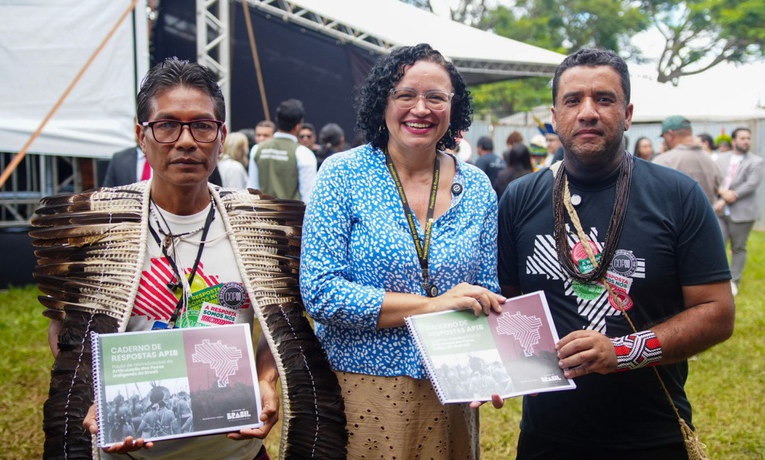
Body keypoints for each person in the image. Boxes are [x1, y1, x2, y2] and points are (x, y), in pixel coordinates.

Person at [33, 58, 346, 460]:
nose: (185, 141)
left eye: (201, 125)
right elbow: (65, 328)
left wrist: (267, 379)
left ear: (221, 136)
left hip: (235, 450)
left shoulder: (259, 229)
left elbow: (277, 329)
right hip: (130, 449)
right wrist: (99, 393)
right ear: (141, 136)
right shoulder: (100, 225)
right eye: (166, 125)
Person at [497, 48, 734, 459]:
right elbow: (505, 301)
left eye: (603, 99)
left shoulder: (677, 195)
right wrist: (493, 366)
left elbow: (717, 312)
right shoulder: (521, 197)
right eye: (573, 100)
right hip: (547, 437)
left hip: (651, 433)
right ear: (554, 117)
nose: (587, 112)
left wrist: (620, 352)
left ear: (627, 114)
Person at [300, 43, 505, 460]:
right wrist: (431, 307)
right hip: (359, 386)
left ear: (454, 108)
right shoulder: (342, 174)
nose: (421, 108)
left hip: (451, 386)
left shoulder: (478, 186)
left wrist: (490, 364)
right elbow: (320, 292)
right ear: (383, 102)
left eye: (436, 97)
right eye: (405, 95)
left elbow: (486, 288)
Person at [714, 127, 764, 296]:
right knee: (717, 245)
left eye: (748, 138)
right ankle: (716, 280)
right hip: (719, 212)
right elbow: (714, 178)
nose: (746, 141)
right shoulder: (721, 158)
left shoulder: (756, 161)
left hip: (742, 212)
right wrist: (721, 193)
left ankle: (734, 282)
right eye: (742, 138)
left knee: (738, 247)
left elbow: (751, 185)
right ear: (733, 141)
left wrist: (727, 197)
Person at [246, 99, 318, 203]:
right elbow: (308, 196)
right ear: (298, 126)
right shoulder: (304, 154)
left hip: (262, 216)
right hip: (292, 218)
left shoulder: (258, 149)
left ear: (277, 120)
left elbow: (251, 190)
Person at [652, 115, 722, 204]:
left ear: (670, 134)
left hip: (674, 217)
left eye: (664, 137)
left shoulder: (662, 161)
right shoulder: (711, 160)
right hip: (706, 216)